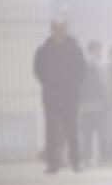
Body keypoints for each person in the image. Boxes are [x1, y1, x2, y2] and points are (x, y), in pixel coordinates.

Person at [34, 19, 86, 174]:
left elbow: (82, 71)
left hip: (71, 96)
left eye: (62, 28)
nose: (59, 31)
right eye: (56, 28)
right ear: (51, 30)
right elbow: (38, 70)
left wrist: (72, 84)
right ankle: (52, 163)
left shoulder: (75, 49)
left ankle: (75, 162)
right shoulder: (43, 50)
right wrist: (50, 83)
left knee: (72, 131)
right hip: (51, 96)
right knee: (51, 132)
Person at [80, 40, 107, 167]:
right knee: (90, 133)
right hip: (90, 104)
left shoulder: (101, 65)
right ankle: (90, 157)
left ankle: (96, 157)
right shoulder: (86, 65)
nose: (100, 52)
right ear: (93, 51)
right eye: (98, 50)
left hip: (96, 104)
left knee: (95, 133)